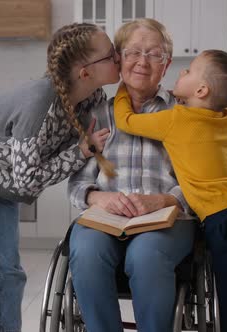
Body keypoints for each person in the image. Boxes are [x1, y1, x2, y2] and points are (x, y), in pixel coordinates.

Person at [0, 23, 121, 332]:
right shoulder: (41, 102)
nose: (118, 58)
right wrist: (79, 153)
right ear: (84, 71)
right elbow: (27, 181)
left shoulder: (92, 98)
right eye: (111, 55)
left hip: (4, 176)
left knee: (9, 271)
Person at [114, 49, 227, 332]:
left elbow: (126, 121)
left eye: (188, 71)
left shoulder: (176, 120)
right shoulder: (224, 118)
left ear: (201, 89)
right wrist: (186, 97)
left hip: (223, 222)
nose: (181, 72)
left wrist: (123, 89)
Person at [68, 18, 196, 332]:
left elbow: (198, 184)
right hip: (106, 219)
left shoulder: (184, 115)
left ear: (165, 66)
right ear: (119, 60)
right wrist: (99, 197)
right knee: (84, 251)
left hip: (168, 219)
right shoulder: (97, 114)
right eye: (134, 52)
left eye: (154, 54)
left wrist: (163, 200)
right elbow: (78, 184)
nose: (142, 61)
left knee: (147, 255)